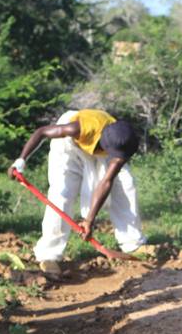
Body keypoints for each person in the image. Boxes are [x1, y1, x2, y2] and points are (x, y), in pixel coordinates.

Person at [10, 109, 146, 275]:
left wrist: (89, 220)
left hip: (103, 145)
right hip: (69, 146)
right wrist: (20, 161)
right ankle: (49, 255)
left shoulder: (122, 139)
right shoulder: (76, 128)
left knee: (125, 184)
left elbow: (106, 182)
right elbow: (42, 132)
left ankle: (133, 243)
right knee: (62, 193)